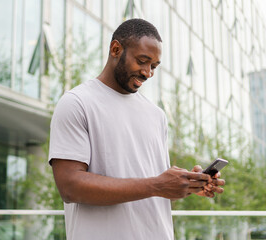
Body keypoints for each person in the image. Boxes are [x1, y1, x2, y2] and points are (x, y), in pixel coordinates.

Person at [48, 18, 225, 240]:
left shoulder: (157, 115)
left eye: (154, 66)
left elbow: (151, 185)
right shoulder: (77, 103)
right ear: (115, 49)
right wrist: (157, 185)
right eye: (142, 61)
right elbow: (70, 186)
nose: (148, 72)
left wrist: (185, 184)